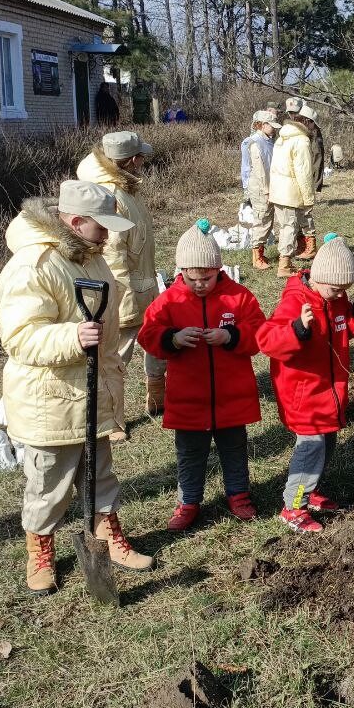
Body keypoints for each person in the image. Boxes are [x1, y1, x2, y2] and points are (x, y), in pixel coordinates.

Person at [0, 179, 155, 596]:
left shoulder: (91, 257)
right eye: (100, 225)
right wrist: (70, 337)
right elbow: (19, 336)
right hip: (50, 399)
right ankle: (40, 550)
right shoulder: (35, 266)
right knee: (49, 482)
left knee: (100, 471)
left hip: (93, 390)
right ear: (76, 220)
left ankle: (107, 534)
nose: (108, 234)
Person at [138, 220, 266, 531]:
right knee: (189, 453)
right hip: (188, 398)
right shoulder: (169, 300)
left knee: (234, 448)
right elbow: (148, 333)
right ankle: (189, 502)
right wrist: (173, 339)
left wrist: (231, 336)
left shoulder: (239, 297)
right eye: (191, 277)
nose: (199, 284)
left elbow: (259, 332)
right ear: (180, 272)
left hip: (231, 395)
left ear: (218, 270)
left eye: (206, 278)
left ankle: (238, 495)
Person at [257, 235, 354, 533]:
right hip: (303, 394)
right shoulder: (295, 301)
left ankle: (310, 493)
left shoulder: (336, 299)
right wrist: (298, 330)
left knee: (327, 445)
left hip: (330, 392)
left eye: (344, 291)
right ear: (319, 277)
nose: (339, 295)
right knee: (311, 449)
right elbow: (267, 341)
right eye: (335, 289)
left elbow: (344, 329)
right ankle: (293, 506)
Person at [77, 130, 164, 434]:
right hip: (125, 292)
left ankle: (157, 396)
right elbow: (113, 256)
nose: (143, 161)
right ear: (130, 159)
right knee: (115, 359)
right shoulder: (112, 196)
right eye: (140, 156)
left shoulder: (126, 188)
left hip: (143, 285)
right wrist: (123, 302)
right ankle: (111, 420)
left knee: (156, 341)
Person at [268, 106, 317, 279]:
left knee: (284, 226)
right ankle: (284, 265)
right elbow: (303, 172)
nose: (314, 128)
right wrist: (309, 197)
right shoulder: (301, 140)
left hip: (278, 189)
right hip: (290, 191)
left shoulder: (282, 137)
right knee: (289, 227)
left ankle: (286, 260)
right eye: (313, 124)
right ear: (307, 122)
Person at [241, 109, 279, 271]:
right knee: (262, 219)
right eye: (271, 125)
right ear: (262, 125)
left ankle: (260, 253)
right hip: (260, 186)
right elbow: (259, 170)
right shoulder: (254, 142)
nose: (274, 128)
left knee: (268, 219)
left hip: (269, 184)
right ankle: (257, 256)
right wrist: (266, 190)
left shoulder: (269, 140)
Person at [295, 103, 324, 260]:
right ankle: (301, 245)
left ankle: (310, 247)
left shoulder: (312, 138)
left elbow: (316, 162)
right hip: (298, 180)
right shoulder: (301, 135)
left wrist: (315, 184)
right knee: (298, 214)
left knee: (305, 213)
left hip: (306, 181)